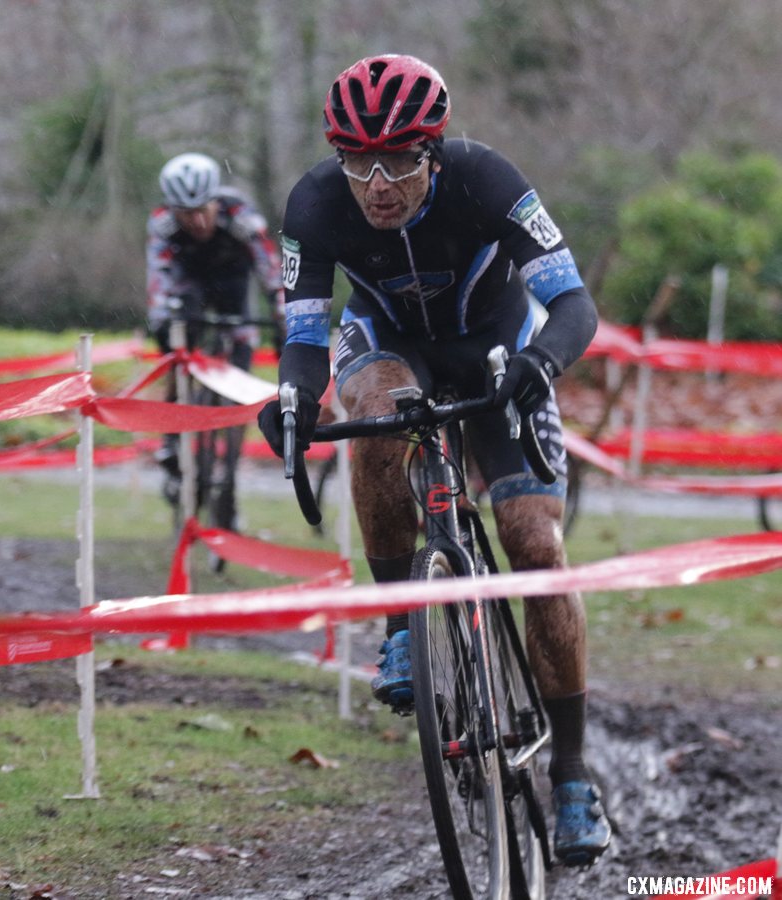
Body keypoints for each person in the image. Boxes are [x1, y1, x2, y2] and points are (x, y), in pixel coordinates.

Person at [257, 54, 611, 866]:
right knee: (373, 413)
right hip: (388, 345)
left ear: (434, 152)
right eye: (357, 162)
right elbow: (306, 341)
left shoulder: (485, 178)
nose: (377, 184)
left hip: (498, 348)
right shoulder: (314, 202)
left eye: (399, 163)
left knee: (535, 549)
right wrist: (289, 402)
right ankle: (398, 630)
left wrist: (542, 366)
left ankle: (569, 773)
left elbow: (572, 303)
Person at [146, 151, 285, 498]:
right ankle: (171, 439)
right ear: (173, 209)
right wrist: (161, 317)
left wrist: (282, 310)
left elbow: (269, 267)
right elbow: (159, 277)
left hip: (232, 282)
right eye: (186, 214)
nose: (196, 221)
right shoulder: (162, 223)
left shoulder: (239, 213)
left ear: (215, 201)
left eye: (203, 210)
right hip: (188, 282)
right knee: (177, 344)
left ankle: (231, 472)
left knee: (242, 353)